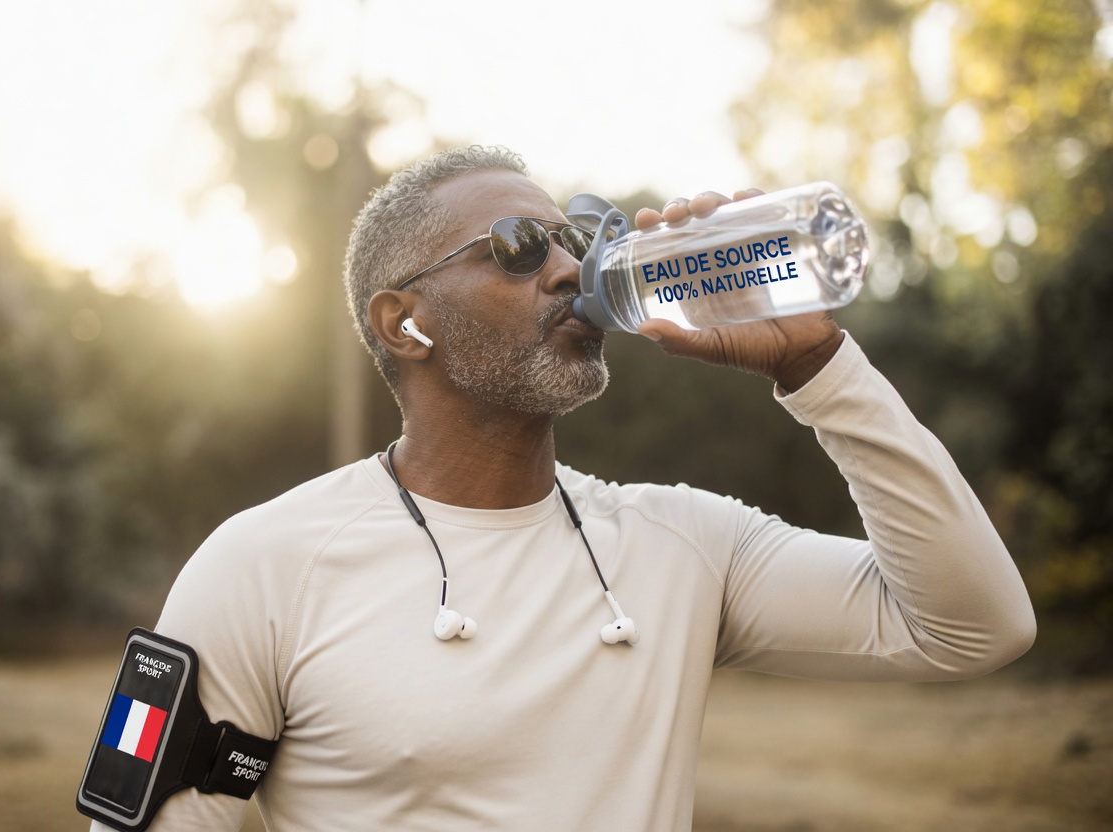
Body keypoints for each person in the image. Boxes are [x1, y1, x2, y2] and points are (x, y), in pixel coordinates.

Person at [92, 145, 1035, 831]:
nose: (569, 268)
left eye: (572, 240)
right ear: (404, 323)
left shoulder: (683, 547)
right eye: (515, 247)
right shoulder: (263, 563)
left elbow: (974, 628)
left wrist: (820, 368)